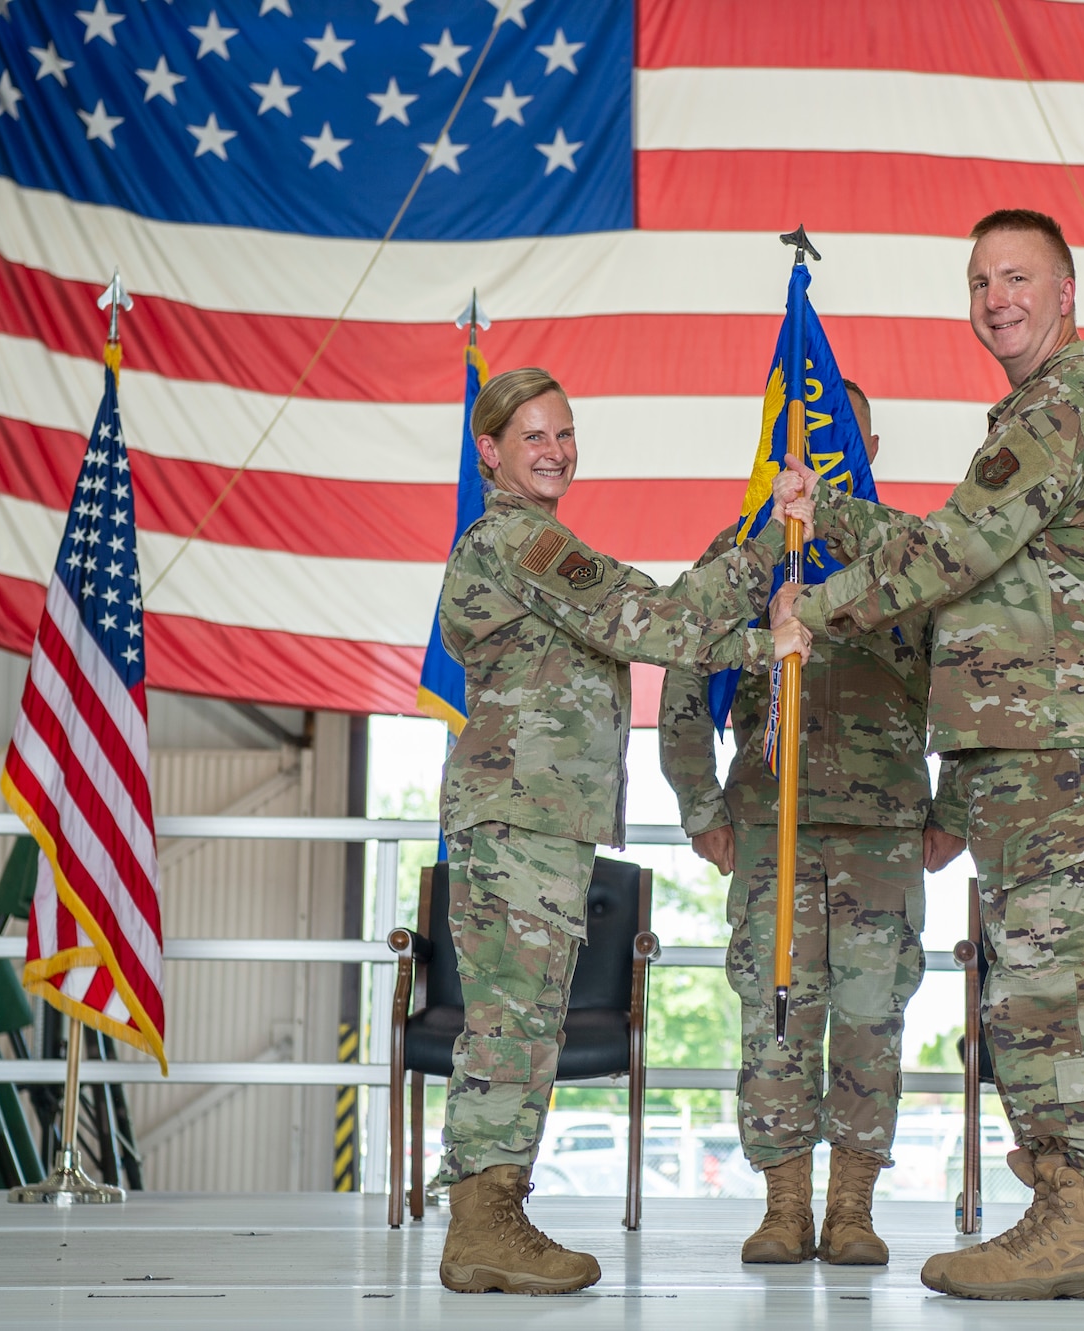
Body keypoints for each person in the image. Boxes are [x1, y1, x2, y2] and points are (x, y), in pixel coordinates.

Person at [770, 210, 1084, 1301]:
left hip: (1057, 734)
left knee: (1050, 983)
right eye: (980, 279)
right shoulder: (1037, 418)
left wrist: (820, 603)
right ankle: (1056, 1212)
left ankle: (1077, 1217)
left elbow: (951, 550)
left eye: (1018, 276)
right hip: (1027, 737)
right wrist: (835, 515)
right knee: (1025, 987)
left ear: (1066, 291)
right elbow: (954, 539)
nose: (996, 297)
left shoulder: (1064, 408)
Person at [434, 366, 812, 1295]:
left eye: (564, 434)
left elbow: (648, 623)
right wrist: (769, 561)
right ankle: (483, 1224)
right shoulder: (517, 541)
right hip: (518, 819)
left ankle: (495, 1212)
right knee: (511, 1025)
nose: (556, 450)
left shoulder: (534, 544)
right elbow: (656, 619)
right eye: (534, 436)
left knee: (524, 1024)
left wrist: (759, 621)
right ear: (490, 450)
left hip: (536, 821)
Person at [657, 382, 966, 1268]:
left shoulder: (914, 556)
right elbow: (686, 669)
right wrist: (699, 807)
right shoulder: (745, 552)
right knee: (776, 1020)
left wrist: (956, 813)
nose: (821, 459)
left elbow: (972, 678)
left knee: (873, 1021)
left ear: (870, 445)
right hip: (769, 827)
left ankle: (853, 1210)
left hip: (882, 834)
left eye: (839, 441)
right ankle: (784, 1206)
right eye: (805, 444)